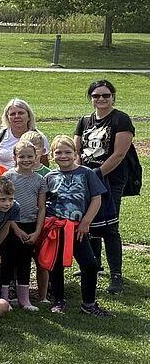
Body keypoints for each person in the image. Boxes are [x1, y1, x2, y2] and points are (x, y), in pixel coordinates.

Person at [74, 79, 135, 295]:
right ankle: (93, 264)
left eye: (105, 95)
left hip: (111, 179)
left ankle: (116, 274)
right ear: (90, 99)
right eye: (96, 96)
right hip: (87, 178)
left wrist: (96, 175)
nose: (101, 99)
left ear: (113, 97)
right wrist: (80, 175)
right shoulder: (84, 121)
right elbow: (77, 151)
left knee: (110, 225)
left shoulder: (121, 119)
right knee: (88, 221)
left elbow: (119, 154)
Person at [43, 136, 111, 317]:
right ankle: (58, 299)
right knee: (55, 265)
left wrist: (86, 222)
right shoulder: (50, 177)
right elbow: (44, 203)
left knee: (89, 264)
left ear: (75, 153)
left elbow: (96, 199)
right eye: (58, 152)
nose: (63, 156)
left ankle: (88, 303)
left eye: (67, 152)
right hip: (56, 228)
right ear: (52, 155)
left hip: (78, 229)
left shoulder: (86, 173)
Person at [1, 141, 47, 310]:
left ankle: (24, 299)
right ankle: (4, 299)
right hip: (11, 225)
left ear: (36, 158)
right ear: (15, 158)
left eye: (30, 156)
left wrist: (36, 231)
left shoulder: (40, 180)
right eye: (22, 156)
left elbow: (41, 207)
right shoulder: (8, 177)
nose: (26, 160)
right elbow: (5, 206)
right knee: (7, 261)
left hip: (31, 226)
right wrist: (16, 228)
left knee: (25, 261)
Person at [0, 98, 47, 168]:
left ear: (29, 116)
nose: (17, 116)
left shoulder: (40, 137)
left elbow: (44, 164)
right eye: (12, 114)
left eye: (21, 113)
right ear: (7, 117)